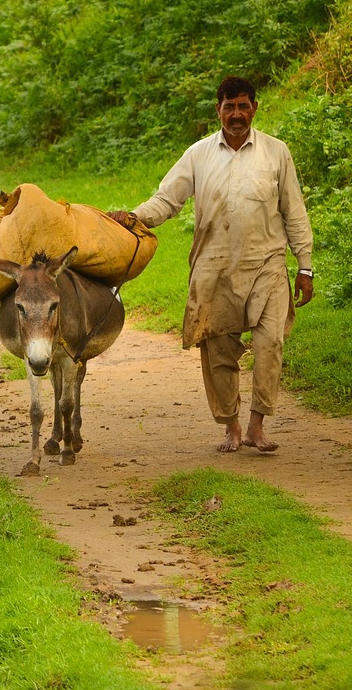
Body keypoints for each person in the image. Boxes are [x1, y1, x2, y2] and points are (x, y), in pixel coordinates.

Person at [109, 76, 314, 453]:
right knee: (218, 350)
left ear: (254, 107)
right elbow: (166, 200)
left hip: (266, 263)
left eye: (243, 106)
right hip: (214, 266)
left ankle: (257, 425)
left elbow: (294, 211)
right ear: (218, 109)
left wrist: (305, 266)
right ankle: (232, 427)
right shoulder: (198, 154)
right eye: (229, 106)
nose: (237, 114)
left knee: (270, 344)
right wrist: (133, 217)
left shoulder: (276, 152)